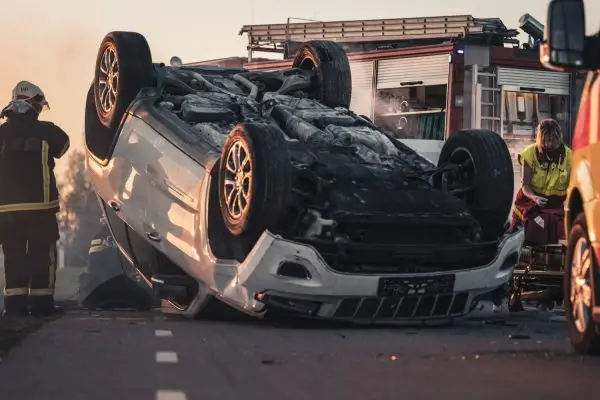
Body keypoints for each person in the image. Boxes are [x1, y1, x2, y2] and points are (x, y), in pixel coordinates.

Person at [0, 81, 70, 317]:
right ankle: (41, 306)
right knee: (42, 255)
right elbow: (63, 147)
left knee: (13, 257)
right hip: (40, 209)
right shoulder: (49, 131)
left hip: (6, 211)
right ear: (33, 103)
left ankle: (15, 307)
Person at [510, 118, 572, 244]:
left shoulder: (571, 157)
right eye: (546, 141)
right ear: (540, 139)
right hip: (530, 202)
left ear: (559, 138)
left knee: (562, 230)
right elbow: (525, 186)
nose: (549, 144)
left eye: (553, 140)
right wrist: (535, 198)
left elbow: (573, 186)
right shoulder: (529, 154)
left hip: (556, 205)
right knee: (536, 226)